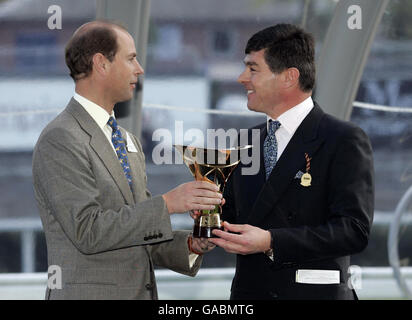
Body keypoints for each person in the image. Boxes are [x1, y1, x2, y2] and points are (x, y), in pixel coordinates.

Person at [32, 20, 220, 300]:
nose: (140, 69)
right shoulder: (61, 138)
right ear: (101, 64)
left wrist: (192, 244)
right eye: (131, 58)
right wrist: (168, 204)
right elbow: (88, 231)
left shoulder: (126, 139)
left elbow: (138, 230)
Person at [209, 24, 374, 300]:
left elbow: (354, 231)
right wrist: (208, 215)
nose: (241, 78)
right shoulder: (245, 142)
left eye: (253, 69)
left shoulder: (343, 139)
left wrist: (271, 241)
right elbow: (234, 218)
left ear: (288, 77)